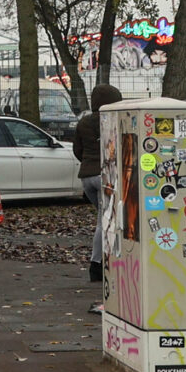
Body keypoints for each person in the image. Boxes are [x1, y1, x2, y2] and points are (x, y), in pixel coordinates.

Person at [76, 85, 121, 283]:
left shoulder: (84, 122)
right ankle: (97, 265)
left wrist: (88, 162)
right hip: (105, 175)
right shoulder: (114, 120)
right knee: (104, 221)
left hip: (87, 177)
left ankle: (105, 261)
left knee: (105, 218)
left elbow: (78, 149)